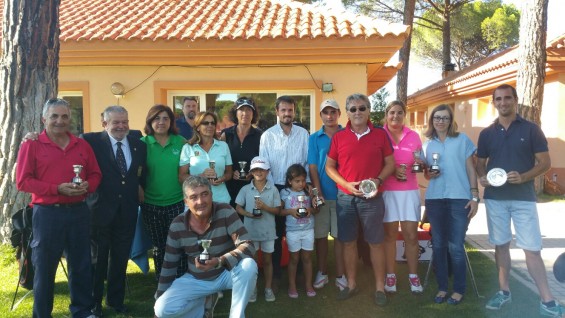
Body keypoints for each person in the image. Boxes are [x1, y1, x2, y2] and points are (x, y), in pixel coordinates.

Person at [477, 84, 564, 317]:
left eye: (507, 98)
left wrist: (524, 177)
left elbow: (544, 162)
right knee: (501, 245)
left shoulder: (532, 129)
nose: (503, 103)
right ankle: (504, 292)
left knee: (532, 249)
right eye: (498, 99)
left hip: (524, 199)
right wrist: (481, 178)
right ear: (493, 102)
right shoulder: (486, 133)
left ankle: (547, 299)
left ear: (515, 100)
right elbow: (480, 162)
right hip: (495, 199)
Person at [16, 98, 102, 318]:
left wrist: (86, 186)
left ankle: (82, 311)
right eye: (54, 116)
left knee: (81, 265)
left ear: (70, 119)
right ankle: (42, 314)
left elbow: (95, 174)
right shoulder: (32, 144)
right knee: (44, 268)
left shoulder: (81, 145)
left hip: (79, 212)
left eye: (64, 116)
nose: (59, 121)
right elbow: (23, 181)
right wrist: (57, 189)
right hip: (47, 214)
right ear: (44, 119)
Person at [325, 93, 395, 306]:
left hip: (372, 198)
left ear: (368, 111)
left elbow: (390, 163)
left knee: (375, 242)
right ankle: (351, 284)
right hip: (346, 198)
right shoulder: (339, 136)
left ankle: (380, 288)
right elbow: (329, 167)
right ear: (347, 112)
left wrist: (378, 180)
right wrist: (345, 184)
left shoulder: (380, 135)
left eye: (362, 108)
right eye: (353, 109)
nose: (357, 112)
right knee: (348, 242)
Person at [154, 176, 257, 318]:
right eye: (194, 197)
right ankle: (202, 306)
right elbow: (169, 265)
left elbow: (248, 245)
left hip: (226, 274)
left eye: (204, 194)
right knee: (162, 310)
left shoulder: (225, 211)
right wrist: (159, 297)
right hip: (196, 279)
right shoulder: (177, 224)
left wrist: (220, 261)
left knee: (249, 265)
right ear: (186, 201)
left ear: (211, 195)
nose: (200, 201)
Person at [82, 106, 147, 316]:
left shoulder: (138, 142)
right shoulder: (90, 141)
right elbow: (62, 137)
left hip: (127, 210)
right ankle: (94, 304)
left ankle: (115, 300)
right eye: (116, 122)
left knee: (119, 259)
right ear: (104, 124)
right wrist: (34, 137)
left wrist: (139, 186)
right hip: (99, 211)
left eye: (124, 121)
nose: (121, 126)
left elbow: (140, 172)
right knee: (97, 260)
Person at [422, 104, 478, 305]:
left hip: (459, 199)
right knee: (438, 245)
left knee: (455, 246)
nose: (441, 121)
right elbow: (426, 172)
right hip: (435, 199)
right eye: (437, 117)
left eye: (445, 118)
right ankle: (443, 287)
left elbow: (471, 169)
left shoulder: (462, 140)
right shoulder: (427, 144)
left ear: (450, 120)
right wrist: (429, 172)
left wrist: (475, 196)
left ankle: (459, 289)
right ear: (432, 120)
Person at [259, 95, 310, 288]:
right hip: (276, 187)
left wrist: (304, 186)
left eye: (290, 110)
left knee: (298, 228)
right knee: (277, 231)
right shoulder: (267, 135)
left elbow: (306, 161)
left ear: (294, 112)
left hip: (298, 187)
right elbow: (265, 166)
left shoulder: (303, 134)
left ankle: (298, 270)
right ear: (277, 112)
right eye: (283, 110)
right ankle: (276, 271)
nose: (287, 113)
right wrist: (275, 193)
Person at [381, 100, 424, 294]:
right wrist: (391, 171)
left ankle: (413, 276)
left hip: (409, 191)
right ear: (386, 115)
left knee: (411, 236)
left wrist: (421, 163)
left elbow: (420, 160)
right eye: (392, 112)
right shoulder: (379, 134)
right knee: (389, 236)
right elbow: (374, 162)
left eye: (399, 113)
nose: (395, 116)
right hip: (387, 191)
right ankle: (391, 276)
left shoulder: (414, 136)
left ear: (404, 115)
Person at [141, 104, 186, 279]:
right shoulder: (142, 144)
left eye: (165, 118)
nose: (161, 122)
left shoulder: (180, 141)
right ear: (150, 121)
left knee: (178, 244)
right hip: (151, 204)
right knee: (159, 246)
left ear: (171, 122)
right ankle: (163, 281)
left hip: (177, 202)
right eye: (157, 118)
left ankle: (181, 280)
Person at [307, 99, 347, 291]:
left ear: (339, 113)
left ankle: (340, 274)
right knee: (321, 236)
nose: (329, 116)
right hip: (322, 194)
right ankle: (321, 272)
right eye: (325, 112)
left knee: (340, 237)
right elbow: (313, 166)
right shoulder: (314, 137)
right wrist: (317, 192)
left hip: (343, 194)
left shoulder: (347, 134)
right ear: (321, 115)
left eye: (333, 112)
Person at [235, 156, 281, 302]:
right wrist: (248, 214)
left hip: (268, 232)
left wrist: (265, 208)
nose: (258, 172)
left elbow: (278, 210)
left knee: (268, 261)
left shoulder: (273, 189)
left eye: (261, 169)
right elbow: (238, 207)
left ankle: (268, 289)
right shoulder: (245, 189)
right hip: (251, 232)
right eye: (255, 169)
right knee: (252, 262)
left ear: (267, 171)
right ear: (251, 172)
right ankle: (252, 289)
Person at [179, 111, 233, 204]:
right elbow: (181, 176)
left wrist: (222, 178)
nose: (210, 125)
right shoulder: (188, 147)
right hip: (197, 201)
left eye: (213, 123)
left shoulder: (223, 146)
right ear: (198, 127)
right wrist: (200, 177)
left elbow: (229, 173)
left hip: (221, 199)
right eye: (205, 123)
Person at [280, 164, 316, 298]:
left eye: (303, 180)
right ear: (289, 181)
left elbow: (316, 210)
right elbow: (279, 212)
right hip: (292, 231)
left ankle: (308, 285)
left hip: (308, 230)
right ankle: (292, 285)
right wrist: (290, 211)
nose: (301, 184)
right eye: (297, 181)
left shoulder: (309, 191)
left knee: (307, 258)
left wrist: (309, 210)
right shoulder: (284, 193)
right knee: (294, 259)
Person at [221, 97, 263, 211]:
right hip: (230, 188)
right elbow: (220, 159)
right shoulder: (226, 135)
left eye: (249, 110)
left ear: (253, 113)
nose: (245, 113)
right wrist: (230, 171)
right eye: (241, 109)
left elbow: (264, 161)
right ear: (236, 113)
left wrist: (252, 173)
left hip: (252, 187)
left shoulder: (260, 136)